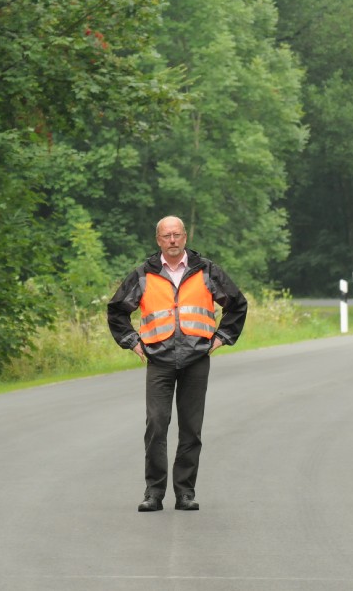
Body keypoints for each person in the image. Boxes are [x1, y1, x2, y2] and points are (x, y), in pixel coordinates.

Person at [107, 215, 247, 512]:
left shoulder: (206, 270)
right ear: (158, 240)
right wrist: (132, 341)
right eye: (166, 236)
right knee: (156, 425)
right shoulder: (144, 274)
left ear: (185, 237)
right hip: (158, 359)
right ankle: (153, 493)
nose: (172, 240)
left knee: (191, 428)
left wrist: (222, 337)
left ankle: (185, 493)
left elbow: (237, 304)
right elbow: (117, 310)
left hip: (196, 358)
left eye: (177, 235)